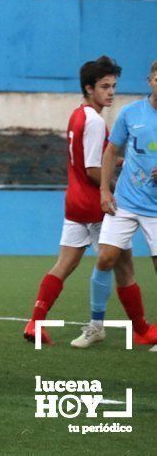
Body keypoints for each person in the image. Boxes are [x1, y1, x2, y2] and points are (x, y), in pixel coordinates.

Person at [22, 56, 134, 348]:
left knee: (64, 264)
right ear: (89, 88)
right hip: (95, 205)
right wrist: (111, 188)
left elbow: (87, 158)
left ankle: (35, 321)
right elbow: (93, 169)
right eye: (104, 86)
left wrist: (119, 160)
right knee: (124, 267)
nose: (111, 92)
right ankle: (141, 328)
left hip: (74, 202)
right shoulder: (96, 121)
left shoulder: (77, 114)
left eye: (113, 86)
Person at [93, 59, 157, 346]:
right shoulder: (131, 113)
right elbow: (110, 152)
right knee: (105, 257)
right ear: (150, 80)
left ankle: (144, 332)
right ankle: (96, 326)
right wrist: (105, 192)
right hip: (127, 202)